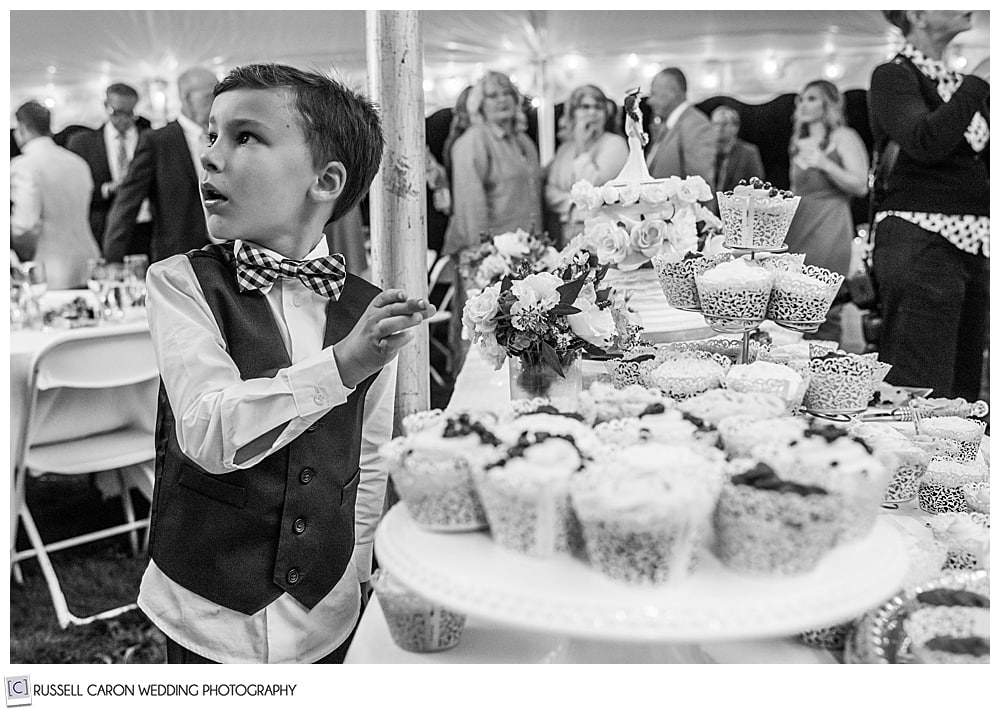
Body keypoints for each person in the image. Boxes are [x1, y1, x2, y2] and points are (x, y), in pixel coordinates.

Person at [137, 63, 435, 664]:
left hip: (326, 609)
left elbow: (369, 458)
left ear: (325, 181)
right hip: (208, 614)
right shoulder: (179, 284)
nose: (211, 157)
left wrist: (353, 570)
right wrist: (339, 368)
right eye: (213, 135)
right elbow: (208, 430)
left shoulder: (365, 308)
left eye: (245, 136)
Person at [868, 10, 989, 402]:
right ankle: (909, 464)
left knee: (963, 390)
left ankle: (960, 463)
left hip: (976, 241)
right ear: (916, 14)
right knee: (920, 386)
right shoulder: (894, 75)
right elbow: (924, 141)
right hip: (919, 238)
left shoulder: (956, 80)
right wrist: (979, 84)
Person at [784, 80, 869, 344]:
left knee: (824, 306)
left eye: (811, 98)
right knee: (795, 307)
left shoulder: (844, 137)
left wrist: (825, 164)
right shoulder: (798, 142)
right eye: (801, 99)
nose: (803, 105)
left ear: (828, 103)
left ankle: (827, 365)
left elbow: (860, 184)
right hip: (799, 226)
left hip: (829, 225)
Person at [103, 66, 218, 263]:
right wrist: (112, 257)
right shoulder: (158, 141)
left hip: (226, 252)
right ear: (186, 97)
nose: (215, 104)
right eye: (208, 97)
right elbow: (128, 201)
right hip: (178, 256)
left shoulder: (224, 137)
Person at [442, 71, 542, 256]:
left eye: (507, 93)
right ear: (480, 104)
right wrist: (483, 253)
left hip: (527, 249)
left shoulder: (524, 141)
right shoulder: (474, 141)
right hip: (492, 254)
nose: (502, 100)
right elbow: (470, 206)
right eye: (493, 96)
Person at [10, 100, 100, 289]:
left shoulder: (23, 166)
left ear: (24, 127)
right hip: (88, 261)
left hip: (49, 268)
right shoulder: (77, 162)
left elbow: (25, 225)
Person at [67, 82, 153, 258]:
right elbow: (75, 189)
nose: (122, 119)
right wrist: (106, 189)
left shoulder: (150, 138)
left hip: (146, 227)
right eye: (116, 112)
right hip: (103, 227)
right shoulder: (83, 143)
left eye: (129, 113)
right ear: (106, 106)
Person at [544, 84, 628, 246]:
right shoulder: (565, 148)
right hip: (567, 230)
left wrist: (583, 147)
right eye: (585, 107)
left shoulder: (615, 144)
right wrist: (572, 203)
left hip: (603, 233)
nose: (592, 113)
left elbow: (592, 186)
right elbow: (549, 193)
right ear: (573, 113)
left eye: (598, 107)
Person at [644, 67, 716, 187]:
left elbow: (699, 186)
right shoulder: (671, 125)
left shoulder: (695, 125)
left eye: (653, 93)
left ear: (673, 92)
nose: (649, 101)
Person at [711, 105, 766, 193]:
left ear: (736, 127)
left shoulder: (748, 153)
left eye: (724, 124)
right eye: (715, 124)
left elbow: (757, 185)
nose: (719, 128)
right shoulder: (706, 151)